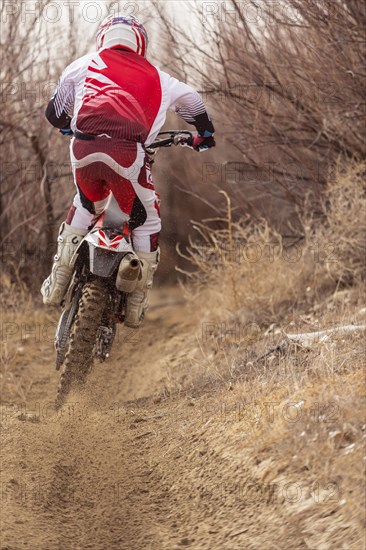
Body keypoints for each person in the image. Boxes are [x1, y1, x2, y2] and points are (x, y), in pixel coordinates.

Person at [41, 13, 215, 328]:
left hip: (83, 151)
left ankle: (58, 281)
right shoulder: (160, 78)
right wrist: (203, 133)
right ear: (140, 45)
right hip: (128, 155)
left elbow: (54, 114)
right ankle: (135, 305)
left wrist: (69, 126)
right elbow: (192, 101)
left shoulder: (83, 64)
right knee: (146, 220)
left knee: (84, 203)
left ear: (103, 39)